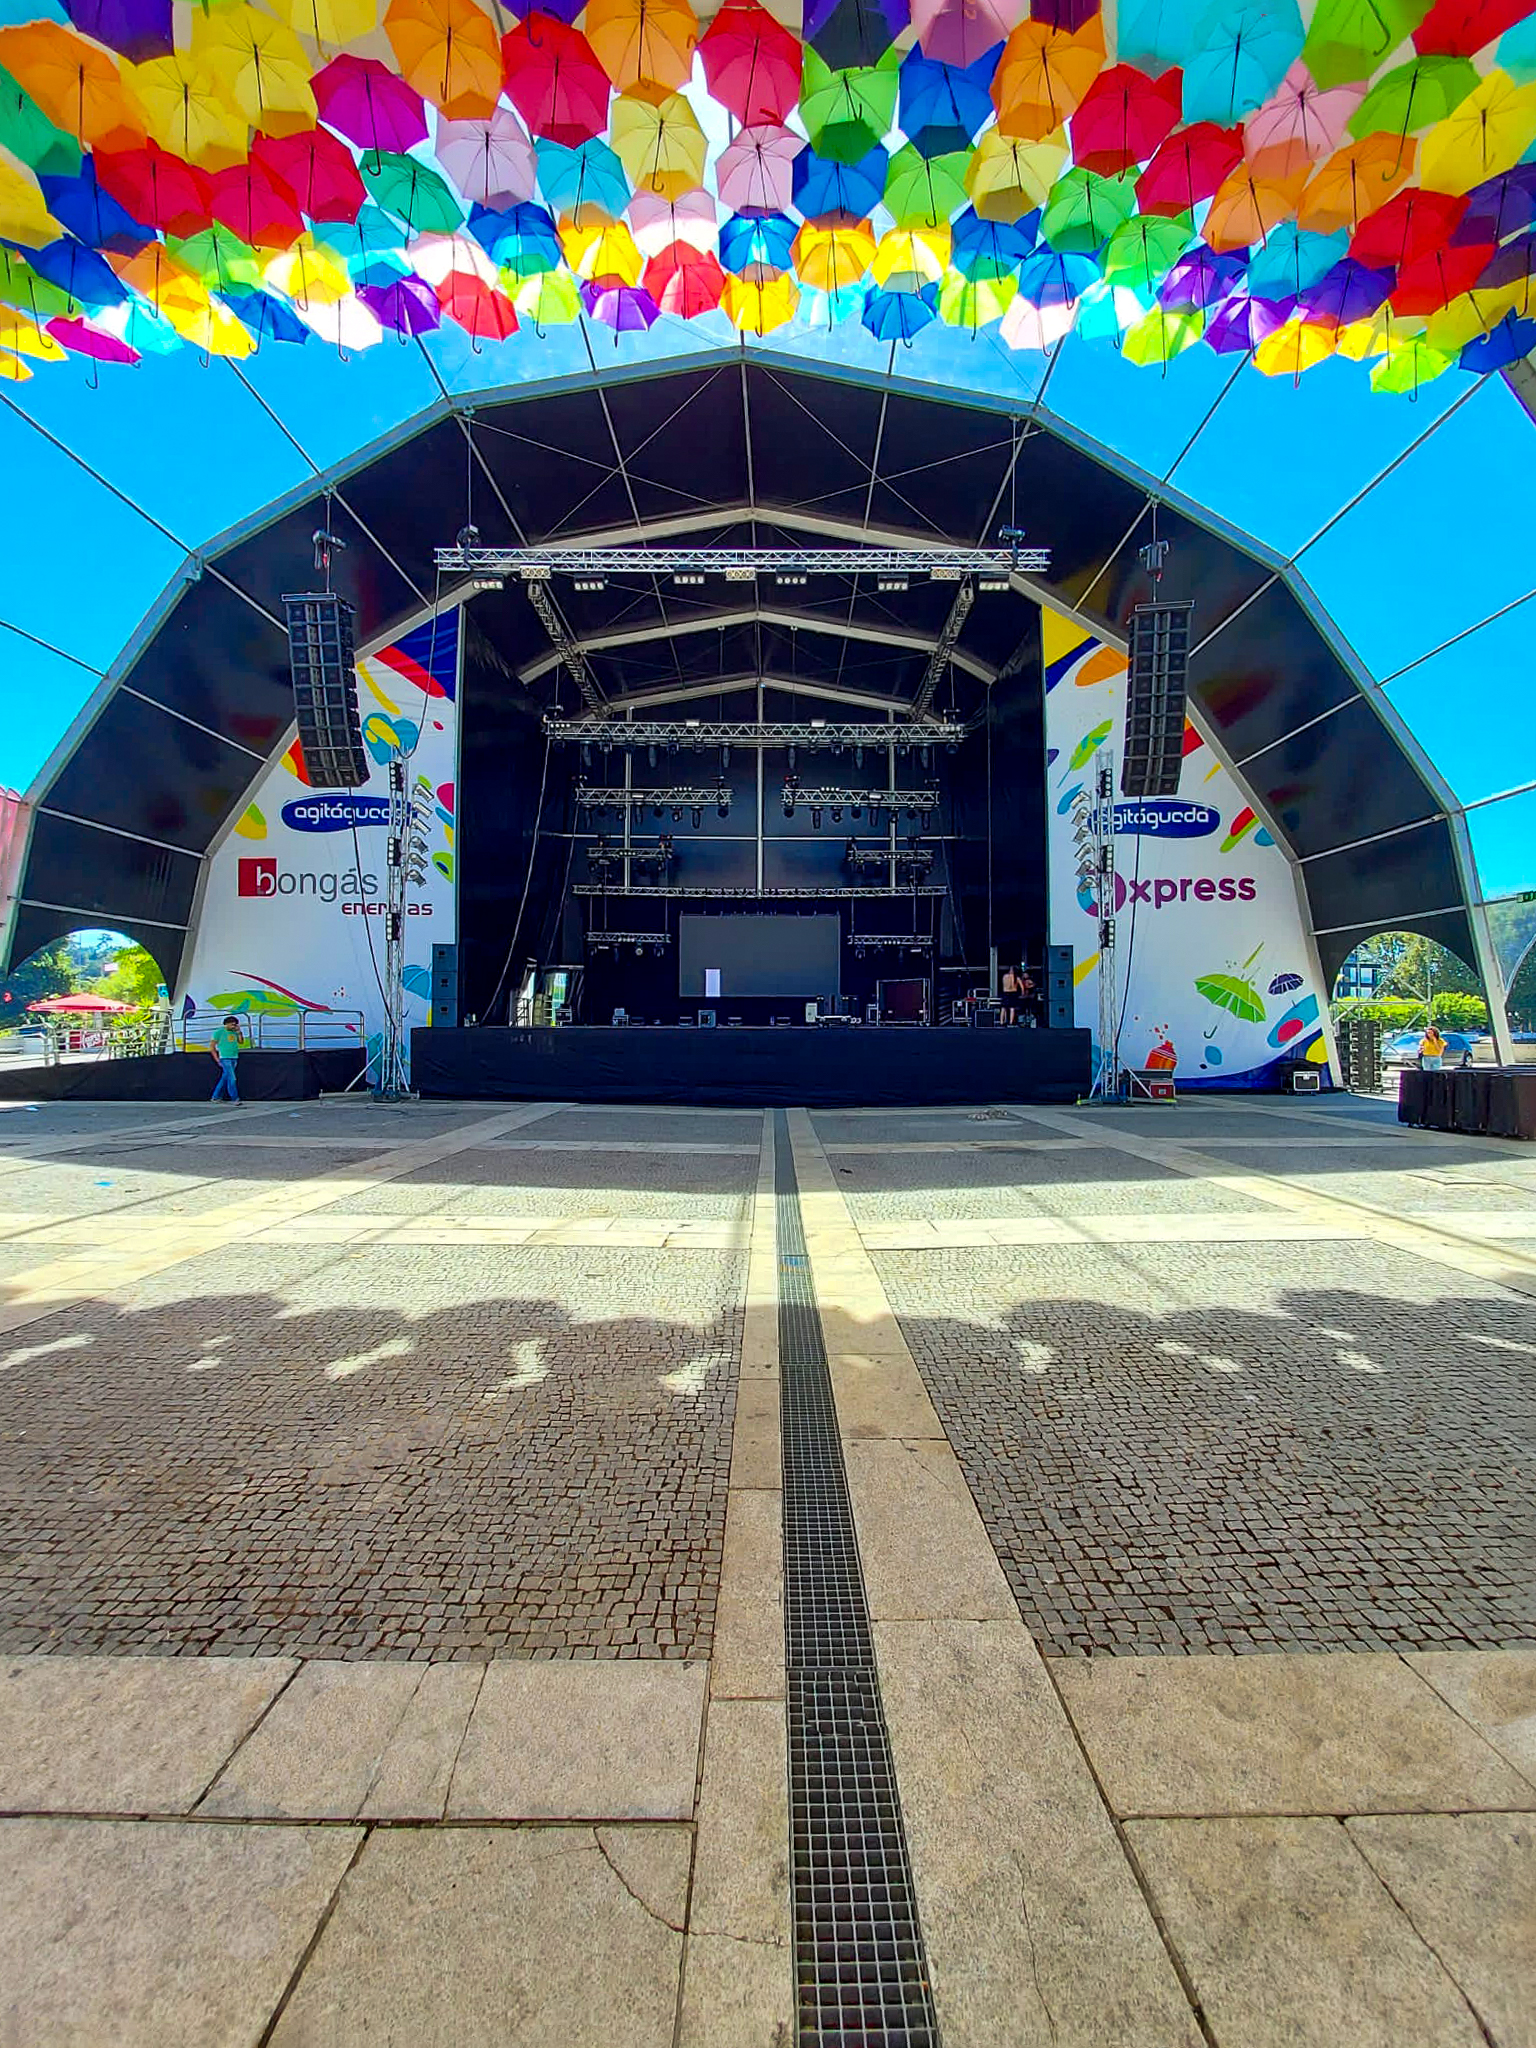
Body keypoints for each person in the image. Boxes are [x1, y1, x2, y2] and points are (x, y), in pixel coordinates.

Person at [209, 1014, 245, 1104]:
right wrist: (217, 1059)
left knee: (225, 1078)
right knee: (232, 1078)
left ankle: (215, 1096)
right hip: (225, 1058)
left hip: (234, 1057)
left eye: (235, 1025)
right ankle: (235, 1098)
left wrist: (239, 1032)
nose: (234, 1026)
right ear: (226, 1024)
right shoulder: (219, 1032)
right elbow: (212, 1046)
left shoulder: (234, 1032)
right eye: (232, 1024)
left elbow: (241, 1042)